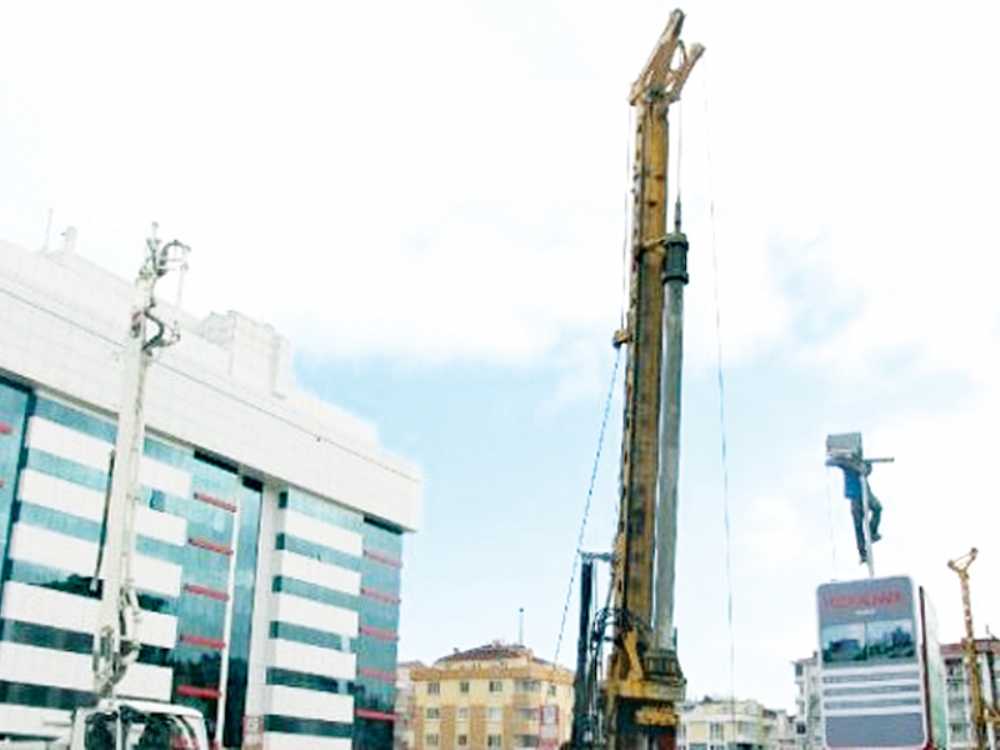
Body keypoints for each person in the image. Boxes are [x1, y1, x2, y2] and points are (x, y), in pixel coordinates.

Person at [828, 454, 881, 563]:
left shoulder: (861, 461)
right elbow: (834, 462)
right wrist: (850, 464)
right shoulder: (846, 463)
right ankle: (863, 554)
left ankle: (872, 532)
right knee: (858, 526)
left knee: (878, 508)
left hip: (866, 493)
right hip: (855, 497)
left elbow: (868, 471)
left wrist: (865, 468)